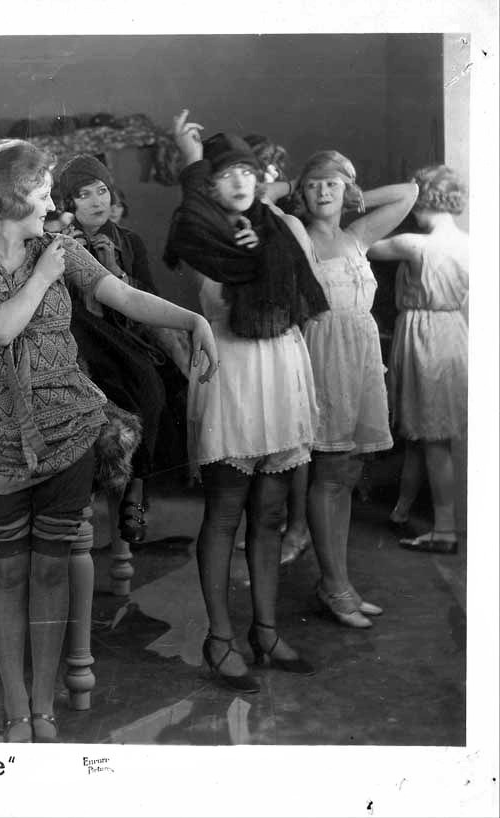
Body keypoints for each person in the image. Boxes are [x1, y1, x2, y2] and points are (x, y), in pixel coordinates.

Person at [0, 139, 218, 741]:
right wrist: (43, 276)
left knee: (51, 572)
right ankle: (16, 707)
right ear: (13, 197)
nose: (54, 203)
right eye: (43, 192)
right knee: (6, 574)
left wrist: (191, 319)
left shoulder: (62, 248)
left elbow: (123, 295)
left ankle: (43, 706)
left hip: (69, 431)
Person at [166, 111, 329, 692]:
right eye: (223, 175)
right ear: (207, 186)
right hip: (232, 372)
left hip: (279, 367)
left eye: (246, 172)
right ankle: (219, 639)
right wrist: (191, 162)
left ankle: (266, 631)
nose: (238, 182)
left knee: (270, 514)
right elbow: (198, 222)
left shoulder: (277, 228)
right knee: (225, 511)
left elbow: (300, 296)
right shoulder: (200, 232)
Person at [291, 149, 419, 627]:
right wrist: (301, 186)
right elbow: (265, 201)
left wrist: (352, 191)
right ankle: (334, 585)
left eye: (332, 184)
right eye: (313, 185)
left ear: (347, 190)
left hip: (360, 358)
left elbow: (409, 193)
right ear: (301, 193)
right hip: (323, 356)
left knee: (345, 473)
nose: (322, 192)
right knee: (329, 473)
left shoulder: (356, 235)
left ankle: (337, 582)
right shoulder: (298, 233)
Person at [53, 154, 191, 544]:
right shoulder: (57, 242)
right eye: (84, 195)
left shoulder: (128, 241)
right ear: (68, 202)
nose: (97, 201)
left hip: (123, 332)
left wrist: (118, 273)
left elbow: (148, 297)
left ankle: (136, 491)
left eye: (102, 191)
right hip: (75, 335)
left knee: (153, 390)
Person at [368, 165, 468, 554]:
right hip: (453, 332)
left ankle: (444, 530)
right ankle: (401, 511)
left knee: (432, 438)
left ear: (420, 201)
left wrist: (392, 198)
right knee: (421, 434)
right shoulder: (471, 244)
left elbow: (360, 241)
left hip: (423, 336)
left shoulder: (414, 244)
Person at [244, 133, 312, 565]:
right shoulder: (229, 221)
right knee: (256, 436)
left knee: (292, 438)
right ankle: (262, 524)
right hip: (246, 338)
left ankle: (298, 526)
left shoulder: (287, 220)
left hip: (284, 333)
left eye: (268, 173)